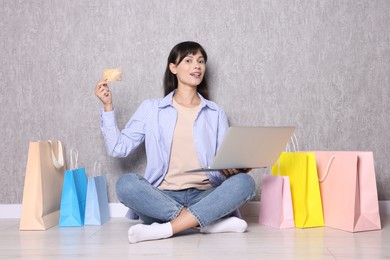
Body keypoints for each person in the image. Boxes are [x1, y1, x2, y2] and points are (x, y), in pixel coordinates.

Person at [95, 41, 256, 244]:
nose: (197, 66)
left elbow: (222, 161)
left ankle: (167, 229)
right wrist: (108, 107)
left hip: (206, 195)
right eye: (188, 60)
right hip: (162, 199)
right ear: (173, 68)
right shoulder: (151, 109)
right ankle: (206, 223)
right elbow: (118, 148)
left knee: (246, 183)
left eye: (200, 61)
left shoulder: (215, 112)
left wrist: (236, 168)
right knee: (125, 184)